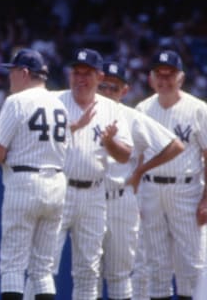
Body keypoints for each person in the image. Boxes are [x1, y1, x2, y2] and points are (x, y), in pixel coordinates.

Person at [0, 48, 67, 300]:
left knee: (12, 264)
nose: (9, 77)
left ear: (25, 73)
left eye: (13, 72)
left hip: (25, 183)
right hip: (56, 182)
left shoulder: (16, 101)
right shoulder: (60, 104)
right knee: (43, 268)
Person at [96, 61, 185, 300]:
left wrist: (140, 170)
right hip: (88, 198)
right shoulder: (83, 111)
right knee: (87, 275)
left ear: (124, 91)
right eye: (103, 87)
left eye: (113, 88)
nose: (106, 92)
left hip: (120, 198)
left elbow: (175, 146)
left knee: (121, 276)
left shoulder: (131, 117)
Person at [48, 48, 133, 299]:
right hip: (59, 188)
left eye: (87, 73)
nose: (81, 78)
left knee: (88, 270)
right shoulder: (54, 101)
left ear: (99, 76)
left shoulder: (111, 108)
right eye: (76, 72)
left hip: (94, 192)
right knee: (44, 264)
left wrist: (110, 143)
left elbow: (125, 154)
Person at [134, 50, 207, 299]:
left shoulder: (198, 109)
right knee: (157, 263)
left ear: (181, 78)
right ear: (151, 78)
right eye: (159, 75)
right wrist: (136, 197)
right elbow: (138, 157)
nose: (164, 80)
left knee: (193, 262)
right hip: (151, 189)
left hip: (187, 189)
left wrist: (206, 199)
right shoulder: (143, 109)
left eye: (170, 75)